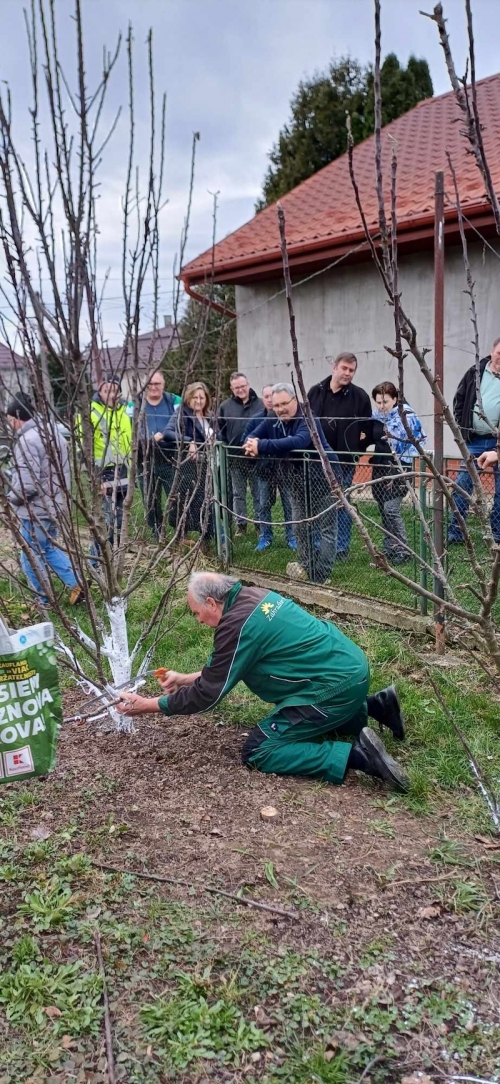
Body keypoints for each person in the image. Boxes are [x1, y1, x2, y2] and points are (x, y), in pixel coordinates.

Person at [115, 572, 408, 792]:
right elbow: (231, 667)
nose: (198, 621)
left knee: (258, 750)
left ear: (211, 602)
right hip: (350, 670)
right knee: (316, 713)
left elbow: (208, 694)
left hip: (334, 687)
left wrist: (150, 706)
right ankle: (376, 706)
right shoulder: (255, 597)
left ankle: (361, 757)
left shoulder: (236, 626)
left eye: (196, 613)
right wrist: (185, 678)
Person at [243, 382, 340, 584]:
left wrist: (262, 446)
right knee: (300, 527)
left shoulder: (308, 417)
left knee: (326, 530)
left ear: (295, 400)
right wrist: (252, 443)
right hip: (297, 481)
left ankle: (321, 575)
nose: (279, 409)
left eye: (284, 404)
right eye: (276, 405)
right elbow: (253, 434)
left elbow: (299, 441)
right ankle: (307, 568)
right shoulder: (273, 418)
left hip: (324, 479)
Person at [6, 392, 84, 606]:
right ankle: (76, 582)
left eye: (10, 421)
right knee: (47, 547)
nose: (11, 425)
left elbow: (26, 484)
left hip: (36, 509)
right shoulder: (52, 432)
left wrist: (10, 497)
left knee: (30, 554)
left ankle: (43, 599)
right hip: (55, 504)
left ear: (16, 417)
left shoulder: (26, 441)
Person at [308, 353, 372, 559]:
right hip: (317, 461)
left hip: (344, 462)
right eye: (344, 368)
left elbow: (369, 430)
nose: (347, 373)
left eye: (351, 370)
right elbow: (306, 424)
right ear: (334, 367)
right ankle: (318, 545)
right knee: (317, 502)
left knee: (342, 504)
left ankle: (341, 548)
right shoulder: (315, 392)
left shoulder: (360, 396)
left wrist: (355, 451)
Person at [449, 338, 500, 543]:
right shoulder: (475, 372)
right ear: (492, 351)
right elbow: (459, 400)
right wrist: (462, 430)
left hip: (497, 442)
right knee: (462, 486)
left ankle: (497, 533)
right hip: (474, 441)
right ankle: (455, 533)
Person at [77, 373, 132, 563]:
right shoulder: (89, 413)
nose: (112, 394)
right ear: (99, 391)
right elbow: (83, 450)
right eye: (107, 390)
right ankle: (95, 562)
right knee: (104, 522)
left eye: (115, 391)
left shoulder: (124, 413)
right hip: (102, 473)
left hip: (123, 472)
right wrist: (95, 478)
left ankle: (113, 559)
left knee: (119, 521)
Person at [371, 382, 426, 565]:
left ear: (395, 399)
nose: (381, 406)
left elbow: (416, 442)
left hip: (400, 468)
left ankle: (403, 549)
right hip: (379, 467)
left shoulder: (406, 417)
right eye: (378, 402)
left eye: (385, 402)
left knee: (391, 509)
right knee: (383, 509)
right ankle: (389, 548)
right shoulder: (376, 417)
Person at [242, 384, 297, 552]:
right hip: (264, 469)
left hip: (285, 468)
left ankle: (292, 537)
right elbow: (247, 438)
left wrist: (263, 445)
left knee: (289, 503)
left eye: (272, 398)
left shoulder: (288, 418)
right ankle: (265, 537)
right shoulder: (261, 419)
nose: (270, 402)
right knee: (263, 504)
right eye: (266, 397)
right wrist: (252, 444)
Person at [162, 381, 214, 544]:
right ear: (188, 398)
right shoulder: (181, 414)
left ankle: (206, 537)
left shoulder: (210, 416)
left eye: (202, 397)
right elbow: (168, 433)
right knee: (185, 501)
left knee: (206, 501)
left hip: (208, 466)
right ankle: (181, 536)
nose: (199, 401)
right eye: (195, 397)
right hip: (188, 466)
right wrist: (189, 441)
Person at [218, 372, 262, 537]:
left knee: (258, 494)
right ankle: (241, 525)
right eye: (237, 388)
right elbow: (219, 431)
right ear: (232, 388)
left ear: (248, 384)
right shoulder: (225, 406)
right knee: (238, 494)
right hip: (235, 459)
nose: (240, 390)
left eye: (243, 386)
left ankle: (260, 525)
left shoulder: (261, 405)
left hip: (257, 459)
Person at [137, 371, 181, 540]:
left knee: (176, 496)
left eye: (157, 384)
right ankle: (157, 532)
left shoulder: (174, 401)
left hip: (170, 458)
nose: (154, 387)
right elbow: (129, 432)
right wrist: (149, 440)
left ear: (163, 384)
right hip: (145, 461)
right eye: (150, 384)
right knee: (150, 500)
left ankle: (177, 529)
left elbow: (183, 424)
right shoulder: (135, 404)